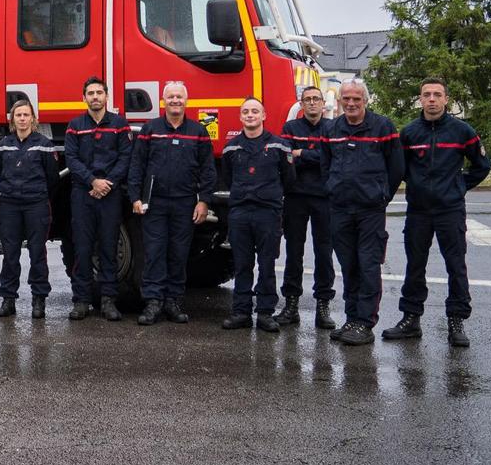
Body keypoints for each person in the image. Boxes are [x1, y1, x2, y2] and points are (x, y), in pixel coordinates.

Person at [382, 77, 491, 347]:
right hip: (418, 211)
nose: (432, 99)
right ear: (420, 99)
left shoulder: (462, 131)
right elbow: (399, 168)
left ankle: (456, 321)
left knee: (455, 266)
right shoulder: (409, 133)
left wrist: (458, 186)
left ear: (446, 99)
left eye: (437, 94)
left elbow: (482, 165)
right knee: (414, 265)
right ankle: (411, 319)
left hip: (449, 210)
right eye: (427, 94)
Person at [320, 79, 404, 346]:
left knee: (368, 264)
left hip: (370, 210)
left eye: (357, 98)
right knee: (349, 265)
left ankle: (365, 323)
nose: (351, 103)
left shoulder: (383, 127)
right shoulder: (331, 129)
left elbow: (396, 167)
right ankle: (352, 318)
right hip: (340, 209)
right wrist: (332, 189)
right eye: (346, 98)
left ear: (366, 100)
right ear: (340, 101)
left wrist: (382, 196)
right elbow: (325, 164)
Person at [127, 81, 216, 325]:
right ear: (163, 101)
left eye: (179, 97)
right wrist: (135, 197)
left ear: (186, 101)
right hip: (154, 204)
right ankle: (153, 302)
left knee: (178, 253)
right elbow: (137, 165)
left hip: (185, 203)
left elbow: (208, 170)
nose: (175, 100)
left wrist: (204, 201)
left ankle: (173, 301)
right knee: (154, 252)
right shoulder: (150, 129)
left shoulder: (198, 131)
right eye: (171, 97)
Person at [218, 98, 296, 331]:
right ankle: (241, 312)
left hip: (268, 213)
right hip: (240, 213)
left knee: (266, 264)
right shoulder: (231, 147)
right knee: (242, 264)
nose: (250, 115)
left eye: (255, 111)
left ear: (264, 116)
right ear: (240, 117)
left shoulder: (280, 146)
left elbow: (289, 179)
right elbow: (228, 177)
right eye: (245, 112)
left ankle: (265, 313)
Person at [65, 76, 131, 321]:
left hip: (110, 195)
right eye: (91, 93)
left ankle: (108, 301)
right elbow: (71, 159)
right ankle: (81, 301)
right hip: (83, 194)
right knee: (82, 248)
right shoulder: (75, 125)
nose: (95, 97)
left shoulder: (119, 124)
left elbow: (126, 157)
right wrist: (93, 181)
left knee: (108, 247)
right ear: (84, 98)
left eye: (99, 93)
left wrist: (107, 183)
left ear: (106, 96)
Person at [275, 85, 337, 330]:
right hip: (295, 197)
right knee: (293, 252)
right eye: (307, 99)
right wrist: (312, 156)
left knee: (324, 252)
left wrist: (303, 153)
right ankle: (291, 304)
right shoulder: (290, 128)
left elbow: (332, 158)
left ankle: (323, 305)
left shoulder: (333, 127)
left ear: (323, 103)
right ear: (301, 104)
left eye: (316, 99)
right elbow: (287, 158)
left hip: (324, 197)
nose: (312, 103)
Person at [0, 98, 58, 318]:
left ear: (33, 119)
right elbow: (0, 171)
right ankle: (8, 299)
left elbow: (52, 178)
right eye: (18, 115)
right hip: (10, 205)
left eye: (26, 115)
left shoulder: (44, 144)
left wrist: (38, 195)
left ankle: (39, 299)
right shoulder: (4, 144)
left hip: (36, 205)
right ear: (12, 119)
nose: (22, 119)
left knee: (37, 253)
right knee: (10, 254)